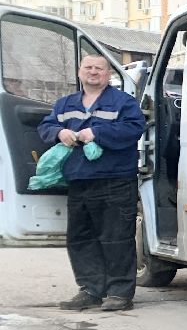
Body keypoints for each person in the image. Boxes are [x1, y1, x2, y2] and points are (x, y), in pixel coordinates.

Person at [38, 53, 147, 312]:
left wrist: (97, 132)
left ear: (108, 75)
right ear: (79, 72)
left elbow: (135, 128)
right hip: (79, 181)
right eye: (88, 67)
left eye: (99, 68)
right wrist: (59, 132)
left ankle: (120, 293)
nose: (93, 72)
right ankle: (90, 290)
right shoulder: (65, 104)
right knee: (80, 239)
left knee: (116, 238)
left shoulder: (123, 102)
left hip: (115, 180)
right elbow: (45, 126)